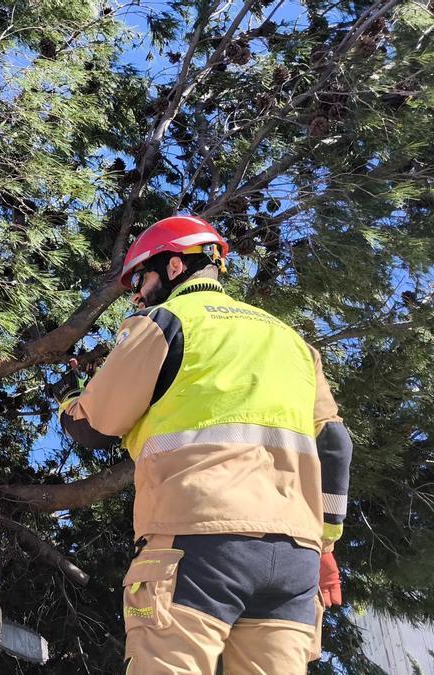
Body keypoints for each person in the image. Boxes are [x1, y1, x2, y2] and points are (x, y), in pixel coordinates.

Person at [54, 215, 352, 673]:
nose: (136, 295)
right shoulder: (293, 343)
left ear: (174, 267)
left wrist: (69, 399)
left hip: (199, 544)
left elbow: (95, 426)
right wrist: (326, 545)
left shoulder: (165, 322)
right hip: (294, 563)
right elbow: (334, 445)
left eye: (141, 278)